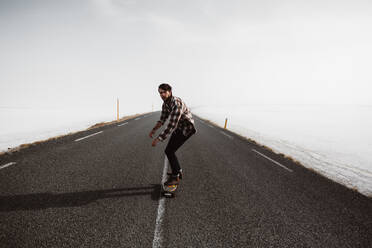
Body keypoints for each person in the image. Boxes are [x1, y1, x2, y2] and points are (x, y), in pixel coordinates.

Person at [150, 83, 196, 185]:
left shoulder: (176, 103)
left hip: (187, 128)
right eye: (160, 93)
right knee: (169, 151)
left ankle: (175, 176)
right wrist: (154, 129)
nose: (162, 95)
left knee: (170, 151)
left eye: (164, 92)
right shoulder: (165, 104)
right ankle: (177, 171)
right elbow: (162, 119)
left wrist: (158, 138)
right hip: (179, 127)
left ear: (170, 91)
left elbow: (171, 124)